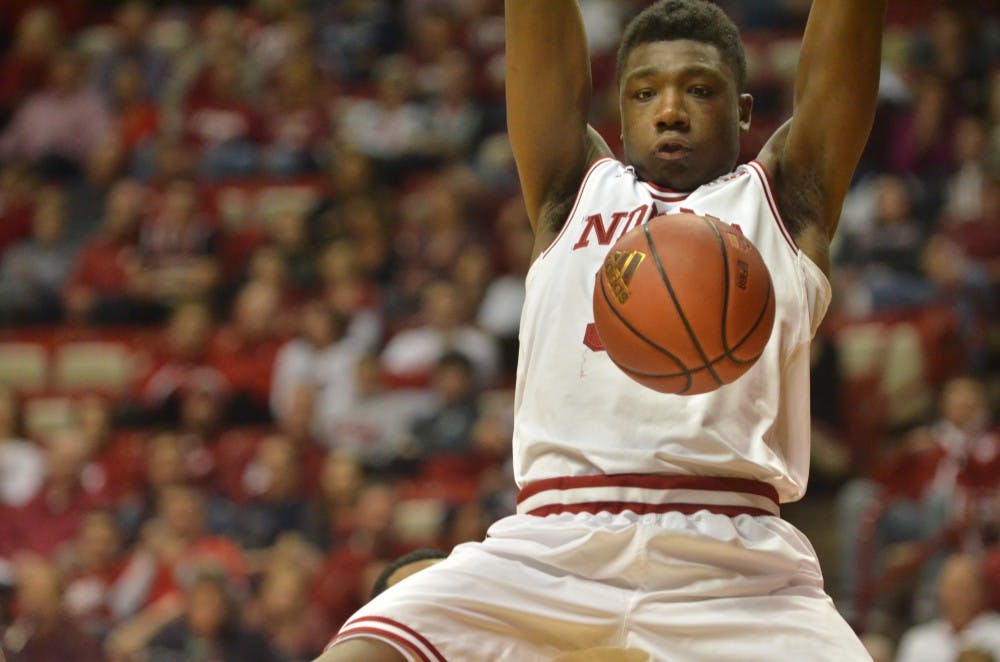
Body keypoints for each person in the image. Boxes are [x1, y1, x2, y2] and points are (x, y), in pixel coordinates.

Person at [320, 0, 885, 659]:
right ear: (620, 111)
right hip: (555, 540)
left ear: (742, 111)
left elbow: (839, 57)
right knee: (361, 651)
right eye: (645, 92)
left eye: (699, 89)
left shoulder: (784, 198)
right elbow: (536, 30)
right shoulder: (573, 189)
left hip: (735, 560)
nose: (670, 110)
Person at [894, 553, 1000, 662]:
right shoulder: (917, 641)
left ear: (982, 591)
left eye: (966, 587)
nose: (959, 596)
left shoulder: (997, 634)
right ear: (939, 591)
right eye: (953, 588)